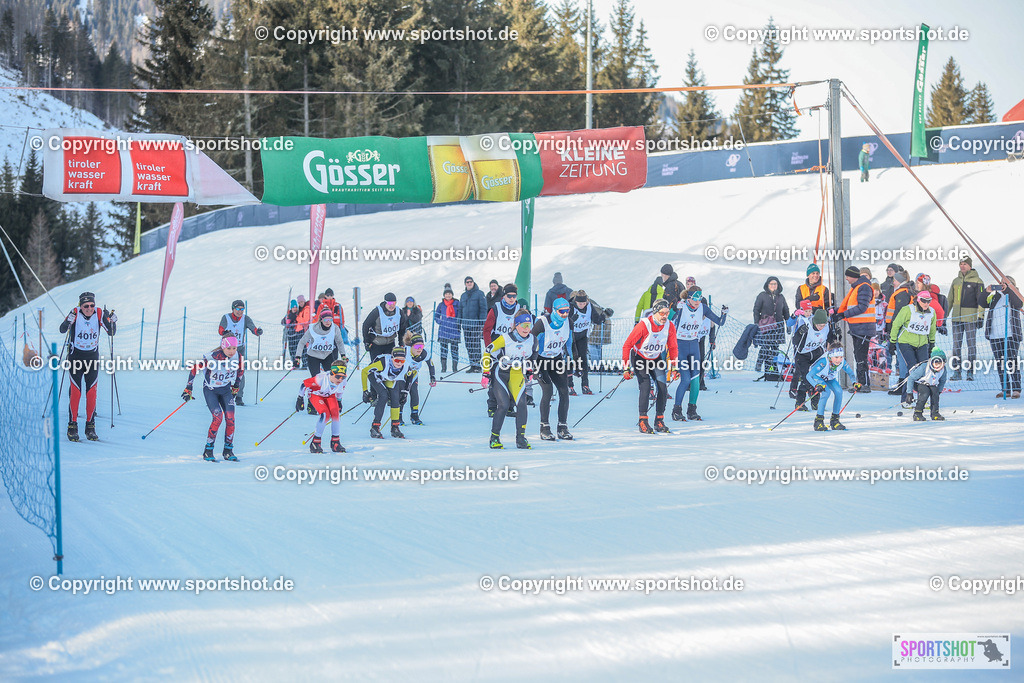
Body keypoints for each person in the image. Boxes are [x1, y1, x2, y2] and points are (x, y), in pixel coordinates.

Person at [59, 291, 116, 441]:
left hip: (92, 359)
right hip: (76, 358)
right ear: (80, 306)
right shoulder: (75, 313)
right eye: (86, 306)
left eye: (91, 305)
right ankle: (72, 426)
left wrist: (112, 321)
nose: (89, 308)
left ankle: (90, 427)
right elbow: (62, 329)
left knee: (91, 393)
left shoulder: (99, 313)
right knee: (75, 393)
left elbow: (111, 332)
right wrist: (68, 321)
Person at [670, 286, 727, 422]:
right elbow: (668, 318)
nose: (697, 302)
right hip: (681, 346)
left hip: (694, 345)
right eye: (694, 299)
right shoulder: (682, 306)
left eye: (699, 299)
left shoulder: (703, 308)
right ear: (688, 298)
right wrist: (674, 309)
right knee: (685, 380)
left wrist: (724, 313)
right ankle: (676, 410)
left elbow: (720, 322)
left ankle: (692, 410)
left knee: (696, 379)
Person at [482, 308, 537, 449]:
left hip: (516, 374)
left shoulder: (532, 339)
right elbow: (487, 351)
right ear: (516, 325)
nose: (527, 329)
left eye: (529, 325)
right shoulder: (505, 338)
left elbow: (533, 355)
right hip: (501, 372)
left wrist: (530, 369)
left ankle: (521, 438)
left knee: (522, 404)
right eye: (523, 325)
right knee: (504, 405)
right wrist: (486, 372)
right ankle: (494, 438)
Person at [182, 334, 242, 461]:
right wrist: (189, 388)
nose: (232, 351)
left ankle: (228, 450)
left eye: (234, 348)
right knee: (218, 417)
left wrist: (236, 386)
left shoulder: (238, 357)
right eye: (229, 348)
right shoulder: (212, 357)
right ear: (223, 347)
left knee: (231, 419)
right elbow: (194, 369)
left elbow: (240, 371)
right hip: (211, 390)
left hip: (226, 390)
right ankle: (208, 450)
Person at [622, 299, 678, 434]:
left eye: (667, 313)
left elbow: (673, 347)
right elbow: (627, 345)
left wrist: (674, 367)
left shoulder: (669, 326)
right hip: (640, 358)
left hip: (656, 358)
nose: (665, 316)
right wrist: (626, 368)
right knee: (646, 387)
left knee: (663, 388)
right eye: (662, 313)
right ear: (655, 312)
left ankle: (659, 420)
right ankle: (643, 421)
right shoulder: (644, 325)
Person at [532, 297, 575, 441]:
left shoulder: (568, 322)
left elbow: (570, 343)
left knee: (564, 391)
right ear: (555, 310)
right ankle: (544, 428)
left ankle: (562, 427)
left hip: (556, 359)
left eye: (567, 311)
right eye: (562, 311)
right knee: (548, 390)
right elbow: (530, 343)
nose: (565, 314)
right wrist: (533, 367)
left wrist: (571, 360)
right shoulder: (542, 323)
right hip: (540, 360)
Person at [890, 290, 937, 408]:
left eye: (929, 301)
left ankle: (922, 399)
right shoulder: (907, 310)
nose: (926, 304)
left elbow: (932, 329)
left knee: (924, 371)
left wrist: (931, 343)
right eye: (924, 301)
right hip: (906, 342)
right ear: (918, 300)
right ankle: (906, 399)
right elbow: (896, 324)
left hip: (922, 344)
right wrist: (892, 341)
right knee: (912, 369)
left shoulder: (932, 312)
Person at [833, 266, 875, 391]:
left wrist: (843, 315)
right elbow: (850, 306)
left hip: (864, 327)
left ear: (853, 276)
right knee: (858, 356)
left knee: (860, 356)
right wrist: (836, 311)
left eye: (847, 276)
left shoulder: (864, 287)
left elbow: (862, 307)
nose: (846, 279)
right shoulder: (857, 287)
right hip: (858, 327)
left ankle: (864, 384)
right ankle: (861, 383)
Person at [980, 277, 1022, 399]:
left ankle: (1016, 389)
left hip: (1010, 335)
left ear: (1011, 285)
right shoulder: (995, 296)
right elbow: (982, 303)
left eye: (1005, 283)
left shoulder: (1015, 295)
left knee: (1012, 361)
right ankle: (1005, 389)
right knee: (1000, 363)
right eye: (1001, 283)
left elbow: (1019, 304)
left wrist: (1008, 290)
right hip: (995, 335)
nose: (1002, 285)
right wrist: (986, 292)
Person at [296, 309, 346, 412]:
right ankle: (311, 404)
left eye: (330, 319)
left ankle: (332, 401)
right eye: (326, 319)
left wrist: (343, 355)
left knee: (332, 378)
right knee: (316, 381)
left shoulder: (335, 328)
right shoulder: (313, 328)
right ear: (321, 319)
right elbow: (302, 342)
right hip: (313, 356)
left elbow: (340, 342)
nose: (328, 322)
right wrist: (298, 357)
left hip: (327, 355)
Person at [483, 283, 522, 417]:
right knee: (495, 378)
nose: (511, 298)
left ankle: (510, 407)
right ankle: (492, 407)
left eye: (514, 296)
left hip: (512, 348)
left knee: (511, 377)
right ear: (504, 296)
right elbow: (486, 330)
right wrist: (490, 348)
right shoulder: (496, 308)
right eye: (509, 296)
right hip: (497, 347)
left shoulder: (518, 309)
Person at [298, 356, 349, 453]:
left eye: (343, 377)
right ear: (332, 373)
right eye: (338, 376)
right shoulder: (320, 379)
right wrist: (300, 399)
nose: (340, 379)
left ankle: (335, 442)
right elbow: (304, 385)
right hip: (316, 394)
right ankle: (315, 442)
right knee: (325, 414)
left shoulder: (343, 382)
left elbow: (340, 391)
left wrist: (339, 401)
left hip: (329, 395)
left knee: (336, 414)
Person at [807, 343, 861, 431]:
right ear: (830, 356)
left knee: (839, 391)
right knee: (826, 392)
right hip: (818, 377)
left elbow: (850, 373)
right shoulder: (823, 362)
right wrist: (816, 385)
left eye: (841, 357)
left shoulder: (842, 362)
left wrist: (854, 383)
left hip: (829, 378)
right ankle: (818, 421)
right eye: (836, 357)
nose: (838, 360)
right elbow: (809, 375)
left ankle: (835, 420)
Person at [218, 300, 263, 405]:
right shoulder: (226, 317)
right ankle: (220, 394)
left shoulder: (245, 319)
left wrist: (258, 332)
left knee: (240, 372)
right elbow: (220, 330)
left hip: (239, 349)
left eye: (242, 309)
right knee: (223, 370)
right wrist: (224, 332)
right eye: (238, 309)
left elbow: (253, 329)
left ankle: (239, 396)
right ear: (233, 309)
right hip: (226, 349)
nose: (240, 311)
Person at [947, 257, 985, 381]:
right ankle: (956, 372)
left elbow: (981, 300)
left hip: (970, 318)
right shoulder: (955, 281)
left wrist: (980, 316)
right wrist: (944, 317)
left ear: (970, 266)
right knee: (956, 346)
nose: (962, 266)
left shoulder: (977, 281)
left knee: (971, 346)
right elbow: (949, 300)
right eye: (961, 264)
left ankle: (970, 372)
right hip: (956, 318)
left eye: (965, 264)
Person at [567, 289, 611, 395]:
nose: (582, 305)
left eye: (584, 303)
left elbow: (596, 320)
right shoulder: (570, 307)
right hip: (571, 337)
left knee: (583, 359)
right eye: (580, 303)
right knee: (570, 359)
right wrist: (571, 319)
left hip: (582, 336)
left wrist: (605, 315)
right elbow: (564, 322)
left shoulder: (589, 306)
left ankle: (585, 385)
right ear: (576, 301)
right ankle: (570, 386)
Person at [360, 346, 408, 439]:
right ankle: (375, 427)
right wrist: (365, 390)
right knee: (383, 396)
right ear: (392, 358)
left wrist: (405, 392)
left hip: (388, 377)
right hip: (375, 375)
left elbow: (410, 376)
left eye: (402, 361)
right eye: (397, 360)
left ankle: (395, 427)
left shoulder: (406, 365)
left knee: (396, 398)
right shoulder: (382, 363)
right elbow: (364, 371)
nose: (399, 363)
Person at [791, 309, 833, 411]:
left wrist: (837, 335)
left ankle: (815, 403)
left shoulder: (827, 327)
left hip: (816, 353)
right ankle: (799, 403)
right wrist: (800, 333)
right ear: (814, 322)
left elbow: (831, 339)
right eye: (819, 325)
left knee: (816, 377)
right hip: (803, 355)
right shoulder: (807, 325)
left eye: (823, 325)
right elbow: (795, 341)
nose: (821, 327)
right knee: (806, 378)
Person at [397, 331, 436, 426]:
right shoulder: (405, 352)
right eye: (417, 346)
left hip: (413, 375)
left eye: (421, 346)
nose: (419, 349)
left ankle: (414, 416)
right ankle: (399, 416)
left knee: (414, 392)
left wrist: (432, 377)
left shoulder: (424, 353)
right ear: (411, 346)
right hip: (402, 376)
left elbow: (430, 364)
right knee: (402, 395)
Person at [884, 270, 914, 393]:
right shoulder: (906, 291)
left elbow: (898, 314)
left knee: (902, 358)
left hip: (901, 330)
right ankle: (904, 384)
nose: (893, 282)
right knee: (903, 358)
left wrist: (892, 329)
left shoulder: (902, 294)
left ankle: (903, 385)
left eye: (895, 280)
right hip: (905, 329)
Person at [752, 276, 789, 376]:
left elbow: (786, 311)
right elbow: (756, 310)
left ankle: (772, 368)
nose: (773, 286)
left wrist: (788, 324)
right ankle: (759, 363)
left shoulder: (781, 297)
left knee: (775, 347)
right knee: (765, 345)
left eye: (775, 284)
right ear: (767, 285)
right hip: (766, 326)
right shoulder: (762, 296)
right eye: (771, 284)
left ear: (778, 285)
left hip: (778, 326)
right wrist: (756, 323)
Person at [362, 292, 407, 362]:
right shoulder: (377, 312)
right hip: (376, 344)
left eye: (394, 303)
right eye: (389, 303)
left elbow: (402, 328)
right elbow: (366, 325)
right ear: (385, 302)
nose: (392, 305)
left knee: (390, 364)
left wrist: (401, 342)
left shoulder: (399, 312)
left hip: (390, 344)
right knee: (377, 365)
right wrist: (366, 342)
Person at [907, 348, 948, 421]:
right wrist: (909, 393)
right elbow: (911, 378)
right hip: (919, 383)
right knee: (925, 392)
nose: (939, 366)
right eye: (936, 363)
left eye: (941, 363)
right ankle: (917, 413)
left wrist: (939, 391)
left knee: (935, 392)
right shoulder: (924, 367)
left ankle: (935, 413)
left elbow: (942, 381)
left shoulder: (943, 370)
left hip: (931, 384)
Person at [459, 276, 487, 372]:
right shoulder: (463, 296)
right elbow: (460, 310)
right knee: (469, 345)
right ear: (465, 284)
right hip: (466, 325)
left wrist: (482, 323)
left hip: (475, 324)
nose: (469, 283)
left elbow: (483, 309)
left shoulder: (479, 294)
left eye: (471, 281)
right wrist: (459, 322)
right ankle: (472, 365)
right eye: (467, 282)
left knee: (476, 345)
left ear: (473, 282)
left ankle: (478, 366)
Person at [434, 284, 461, 373]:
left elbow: (460, 314)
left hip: (454, 330)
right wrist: (441, 322)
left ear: (452, 294)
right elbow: (436, 316)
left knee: (454, 350)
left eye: (449, 294)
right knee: (443, 350)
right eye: (446, 294)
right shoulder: (441, 305)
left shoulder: (457, 303)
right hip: (444, 330)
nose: (448, 295)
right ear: (444, 295)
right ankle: (443, 368)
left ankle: (455, 368)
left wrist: (457, 322)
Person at [293, 295, 312, 366]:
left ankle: (305, 363)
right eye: (299, 302)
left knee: (303, 348)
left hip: (303, 330)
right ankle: (300, 362)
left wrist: (297, 318)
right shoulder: (301, 310)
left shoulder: (306, 309)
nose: (301, 303)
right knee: (299, 347)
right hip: (299, 330)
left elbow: (305, 320)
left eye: (302, 302)